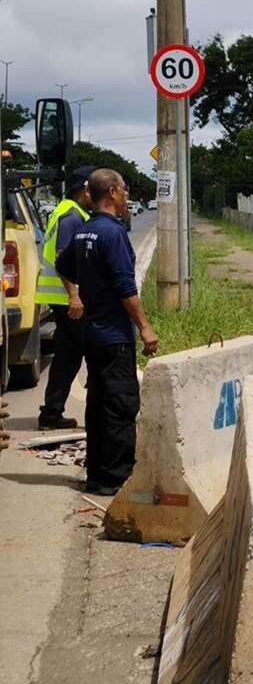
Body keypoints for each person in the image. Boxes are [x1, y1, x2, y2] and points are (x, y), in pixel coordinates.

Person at [57, 168, 158, 495]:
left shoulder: (85, 230)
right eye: (125, 190)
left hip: (92, 334)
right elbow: (125, 287)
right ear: (112, 192)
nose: (127, 196)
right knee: (120, 405)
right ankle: (116, 479)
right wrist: (145, 327)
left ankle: (97, 475)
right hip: (114, 336)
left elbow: (63, 264)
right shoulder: (112, 233)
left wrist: (82, 292)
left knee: (98, 404)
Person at [34, 165, 95, 430]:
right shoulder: (72, 216)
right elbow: (63, 260)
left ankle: (51, 413)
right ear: (85, 190)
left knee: (67, 357)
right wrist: (74, 296)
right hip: (67, 299)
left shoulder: (66, 210)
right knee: (94, 350)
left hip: (59, 299)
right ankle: (98, 412)